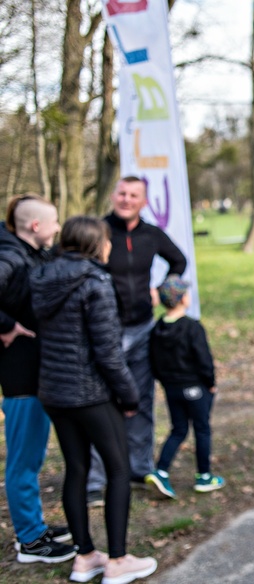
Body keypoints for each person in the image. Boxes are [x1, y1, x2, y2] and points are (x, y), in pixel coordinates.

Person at [30, 216, 157, 584]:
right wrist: (130, 395)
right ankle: (117, 561)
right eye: (106, 240)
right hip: (91, 394)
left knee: (77, 469)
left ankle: (84, 557)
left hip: (54, 392)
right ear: (95, 244)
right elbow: (108, 353)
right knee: (118, 471)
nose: (110, 246)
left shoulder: (40, 278)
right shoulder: (95, 283)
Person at [88, 176, 187, 502]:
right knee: (101, 402)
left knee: (142, 400)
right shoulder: (99, 230)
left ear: (143, 201)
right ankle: (95, 480)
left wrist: (161, 291)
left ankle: (138, 467)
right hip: (105, 330)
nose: (126, 199)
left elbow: (179, 260)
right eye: (121, 193)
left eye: (133, 195)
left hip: (143, 329)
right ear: (113, 196)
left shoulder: (150, 234)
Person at [0, 195, 76, 564]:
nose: (58, 228)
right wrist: (6, 325)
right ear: (35, 227)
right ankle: (31, 541)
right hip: (20, 377)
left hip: (32, 372)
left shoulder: (25, 252)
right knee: (23, 460)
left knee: (30, 455)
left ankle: (35, 529)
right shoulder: (11, 257)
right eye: (54, 222)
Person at [146, 275, 223, 499]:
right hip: (195, 389)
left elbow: (153, 361)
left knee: (178, 429)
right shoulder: (192, 328)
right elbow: (204, 360)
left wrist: (165, 381)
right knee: (201, 429)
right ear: (182, 299)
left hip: (171, 389)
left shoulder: (157, 329)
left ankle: (161, 471)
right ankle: (204, 476)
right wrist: (210, 383)